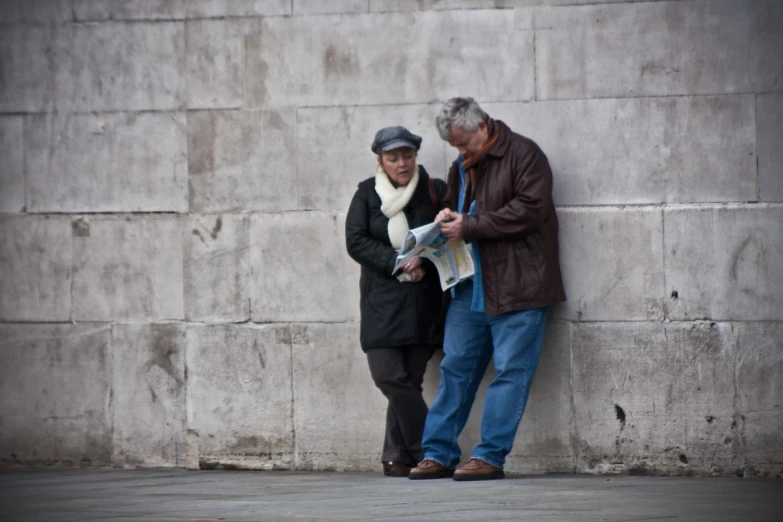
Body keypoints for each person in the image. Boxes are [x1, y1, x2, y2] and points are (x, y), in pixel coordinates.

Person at [409, 98, 566, 481]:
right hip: (469, 285)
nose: (461, 152)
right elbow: (455, 203)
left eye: (464, 144)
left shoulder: (525, 154)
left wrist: (471, 225)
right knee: (455, 368)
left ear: (482, 126)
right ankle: (439, 452)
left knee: (511, 371)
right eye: (455, 147)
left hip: (518, 285)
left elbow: (530, 209)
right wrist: (445, 216)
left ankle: (490, 456)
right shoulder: (461, 163)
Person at [345, 126, 448, 477]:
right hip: (381, 302)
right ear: (381, 160)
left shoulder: (434, 190)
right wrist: (398, 261)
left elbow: (448, 233)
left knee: (410, 379)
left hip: (422, 301)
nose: (402, 164)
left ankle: (395, 456)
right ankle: (430, 449)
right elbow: (355, 241)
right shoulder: (366, 194)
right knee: (389, 376)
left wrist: (424, 255)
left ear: (415, 156)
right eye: (393, 158)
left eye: (407, 156)